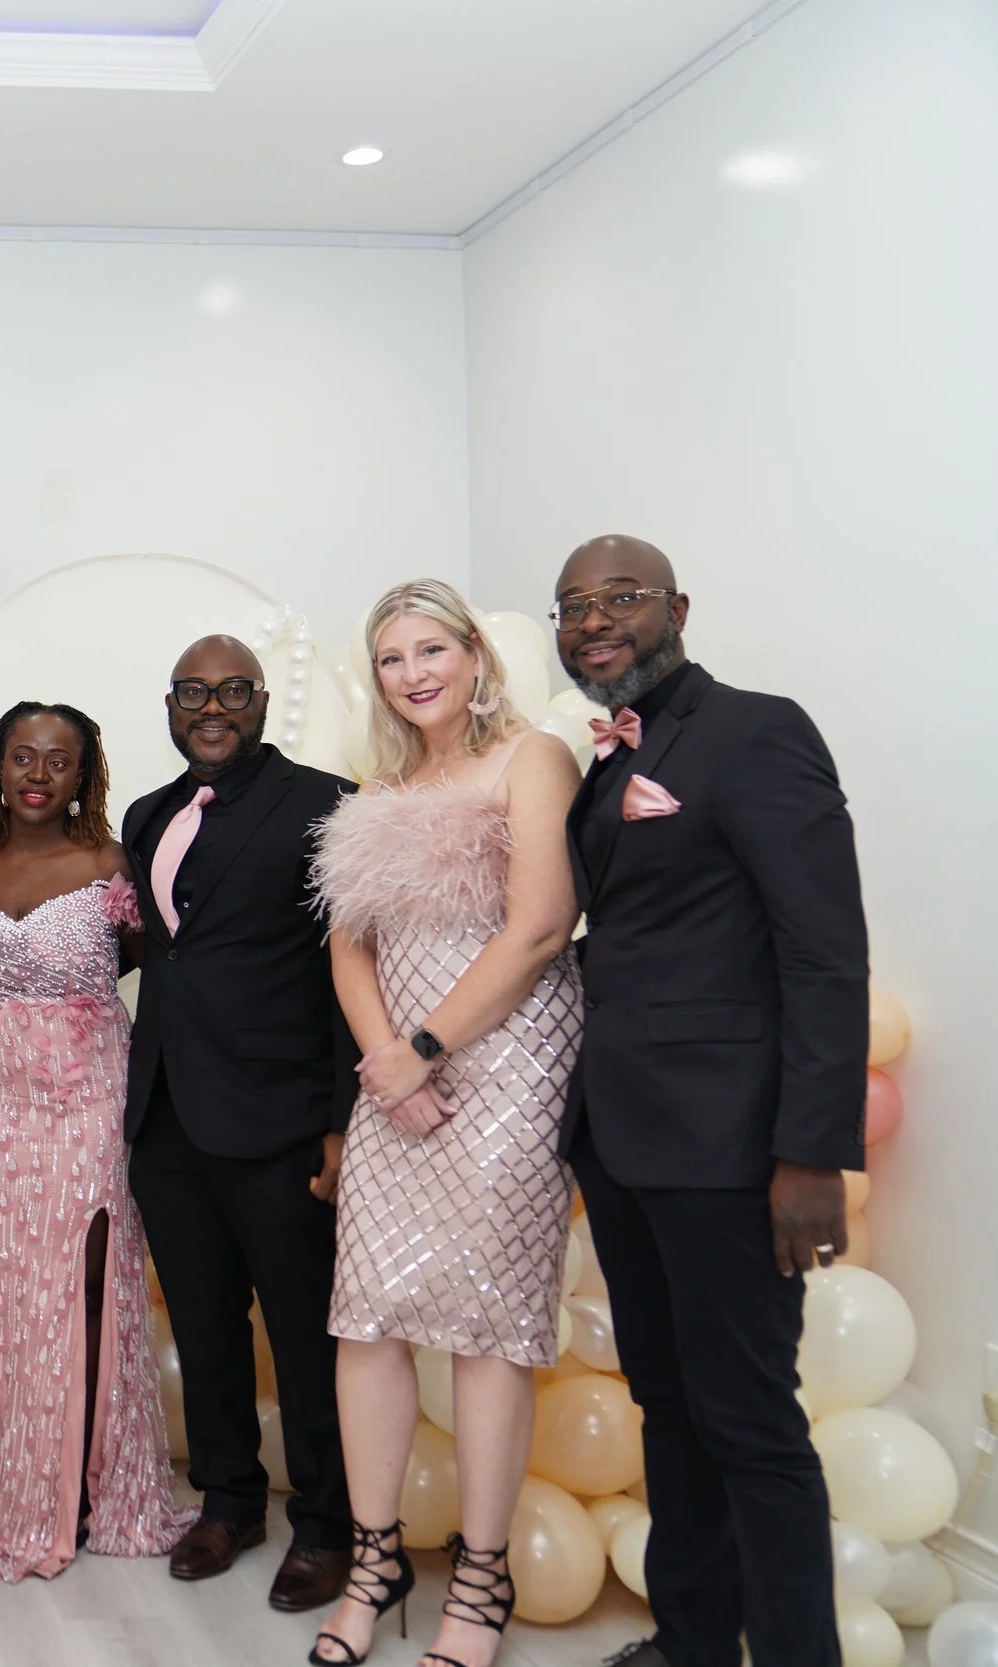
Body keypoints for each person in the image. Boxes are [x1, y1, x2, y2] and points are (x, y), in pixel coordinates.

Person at [552, 536, 864, 1667]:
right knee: (669, 1408)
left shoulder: (755, 729)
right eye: (572, 604)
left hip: (733, 1147)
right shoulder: (603, 759)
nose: (593, 618)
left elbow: (823, 949)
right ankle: (691, 1640)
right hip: (624, 1139)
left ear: (676, 606)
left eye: (619, 596)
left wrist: (811, 1152)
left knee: (751, 1425)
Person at [306, 582, 584, 1667]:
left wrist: (423, 1051)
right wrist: (388, 1067)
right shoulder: (377, 789)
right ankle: (374, 1562)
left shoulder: (533, 760)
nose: (413, 671)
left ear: (474, 655)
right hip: (395, 1076)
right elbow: (348, 947)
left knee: (486, 1323)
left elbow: (540, 926)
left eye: (431, 648)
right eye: (389, 658)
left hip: (510, 1064)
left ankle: (480, 1574)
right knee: (364, 1318)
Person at [0, 702, 196, 1582]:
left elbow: (157, 958)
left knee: (86, 1281)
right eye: (23, 757)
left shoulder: (110, 861)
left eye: (59, 761)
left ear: (85, 775)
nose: (38, 775)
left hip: (86, 1096)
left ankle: (91, 1485)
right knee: (5, 1291)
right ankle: (8, 1490)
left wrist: (70, 996)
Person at [121, 635, 356, 1612]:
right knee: (206, 1319)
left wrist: (345, 1121)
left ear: (262, 700)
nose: (209, 707)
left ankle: (328, 1522)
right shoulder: (146, 814)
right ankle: (227, 1497)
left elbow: (356, 968)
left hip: (281, 1113)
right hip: (167, 1112)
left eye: (230, 690)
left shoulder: (325, 802)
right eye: (190, 691)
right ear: (168, 705)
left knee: (304, 1332)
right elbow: (150, 949)